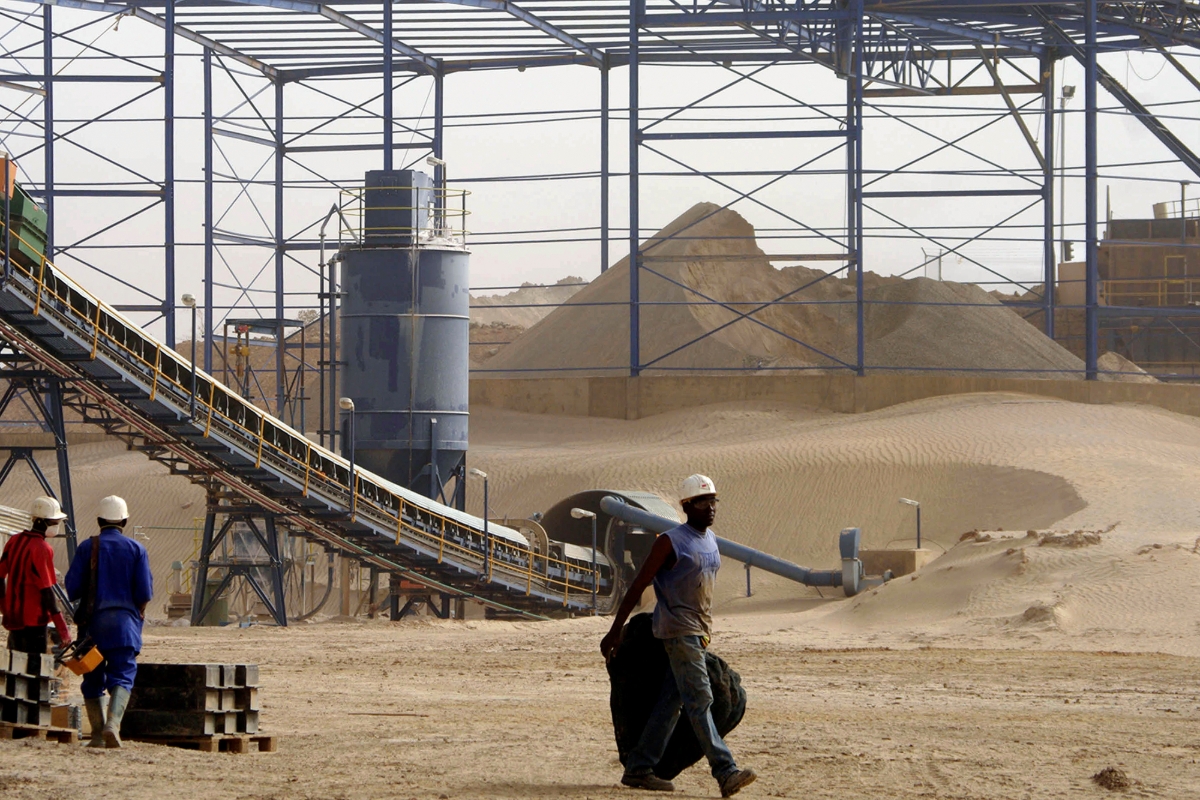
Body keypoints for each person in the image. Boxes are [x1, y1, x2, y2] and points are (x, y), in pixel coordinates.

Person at [600, 475, 756, 797]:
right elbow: (639, 584)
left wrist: (704, 633)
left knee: (672, 702)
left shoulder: (710, 540)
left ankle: (640, 768)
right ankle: (725, 772)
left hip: (698, 634)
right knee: (700, 701)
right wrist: (615, 630)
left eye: (713, 501)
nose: (710, 507)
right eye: (702, 502)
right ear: (687, 506)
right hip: (678, 634)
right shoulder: (670, 542)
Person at [65, 495, 153, 749]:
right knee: (123, 674)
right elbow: (144, 594)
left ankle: (95, 735)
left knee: (91, 677)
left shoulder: (86, 548)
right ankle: (113, 725)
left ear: (99, 520)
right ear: (125, 520)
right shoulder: (137, 549)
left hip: (91, 627)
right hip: (124, 627)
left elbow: (72, 588)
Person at [0, 496, 73, 658]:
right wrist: (62, 629)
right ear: (41, 522)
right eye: (54, 522)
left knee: (14, 668)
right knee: (34, 671)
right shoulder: (41, 548)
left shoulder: (13, 541)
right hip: (34, 623)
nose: (56, 526)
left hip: (14, 621)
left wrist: (6, 609)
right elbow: (47, 591)